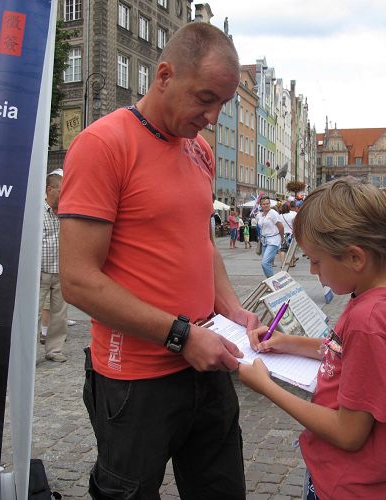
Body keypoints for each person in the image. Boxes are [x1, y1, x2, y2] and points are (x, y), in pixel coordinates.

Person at [59, 22, 259, 500]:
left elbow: (200, 243)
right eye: (205, 98)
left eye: (223, 104)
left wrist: (229, 305)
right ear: (164, 75)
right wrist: (181, 335)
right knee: (127, 492)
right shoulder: (103, 145)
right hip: (136, 376)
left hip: (205, 363)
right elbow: (79, 281)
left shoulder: (200, 150)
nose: (212, 116)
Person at [240, 178, 386, 499]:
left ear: (355, 258)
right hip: (345, 476)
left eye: (317, 260)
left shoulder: (370, 321)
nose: (312, 270)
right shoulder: (376, 293)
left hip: (348, 486)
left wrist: (266, 386)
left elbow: (348, 432)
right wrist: (285, 341)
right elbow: (338, 348)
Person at [37, 169, 68, 362]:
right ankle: (28, 352)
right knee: (34, 314)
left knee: (59, 314)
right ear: (50, 189)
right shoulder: (38, 211)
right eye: (62, 190)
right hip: (40, 271)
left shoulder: (66, 212)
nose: (66, 194)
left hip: (60, 270)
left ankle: (54, 350)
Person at [256, 196, 284, 277]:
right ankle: (270, 280)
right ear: (261, 205)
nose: (266, 205)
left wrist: (282, 238)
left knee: (265, 262)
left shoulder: (273, 213)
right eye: (264, 204)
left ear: (270, 204)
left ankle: (272, 281)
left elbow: (281, 226)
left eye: (267, 203)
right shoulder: (260, 215)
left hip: (273, 240)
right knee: (265, 264)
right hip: (264, 241)